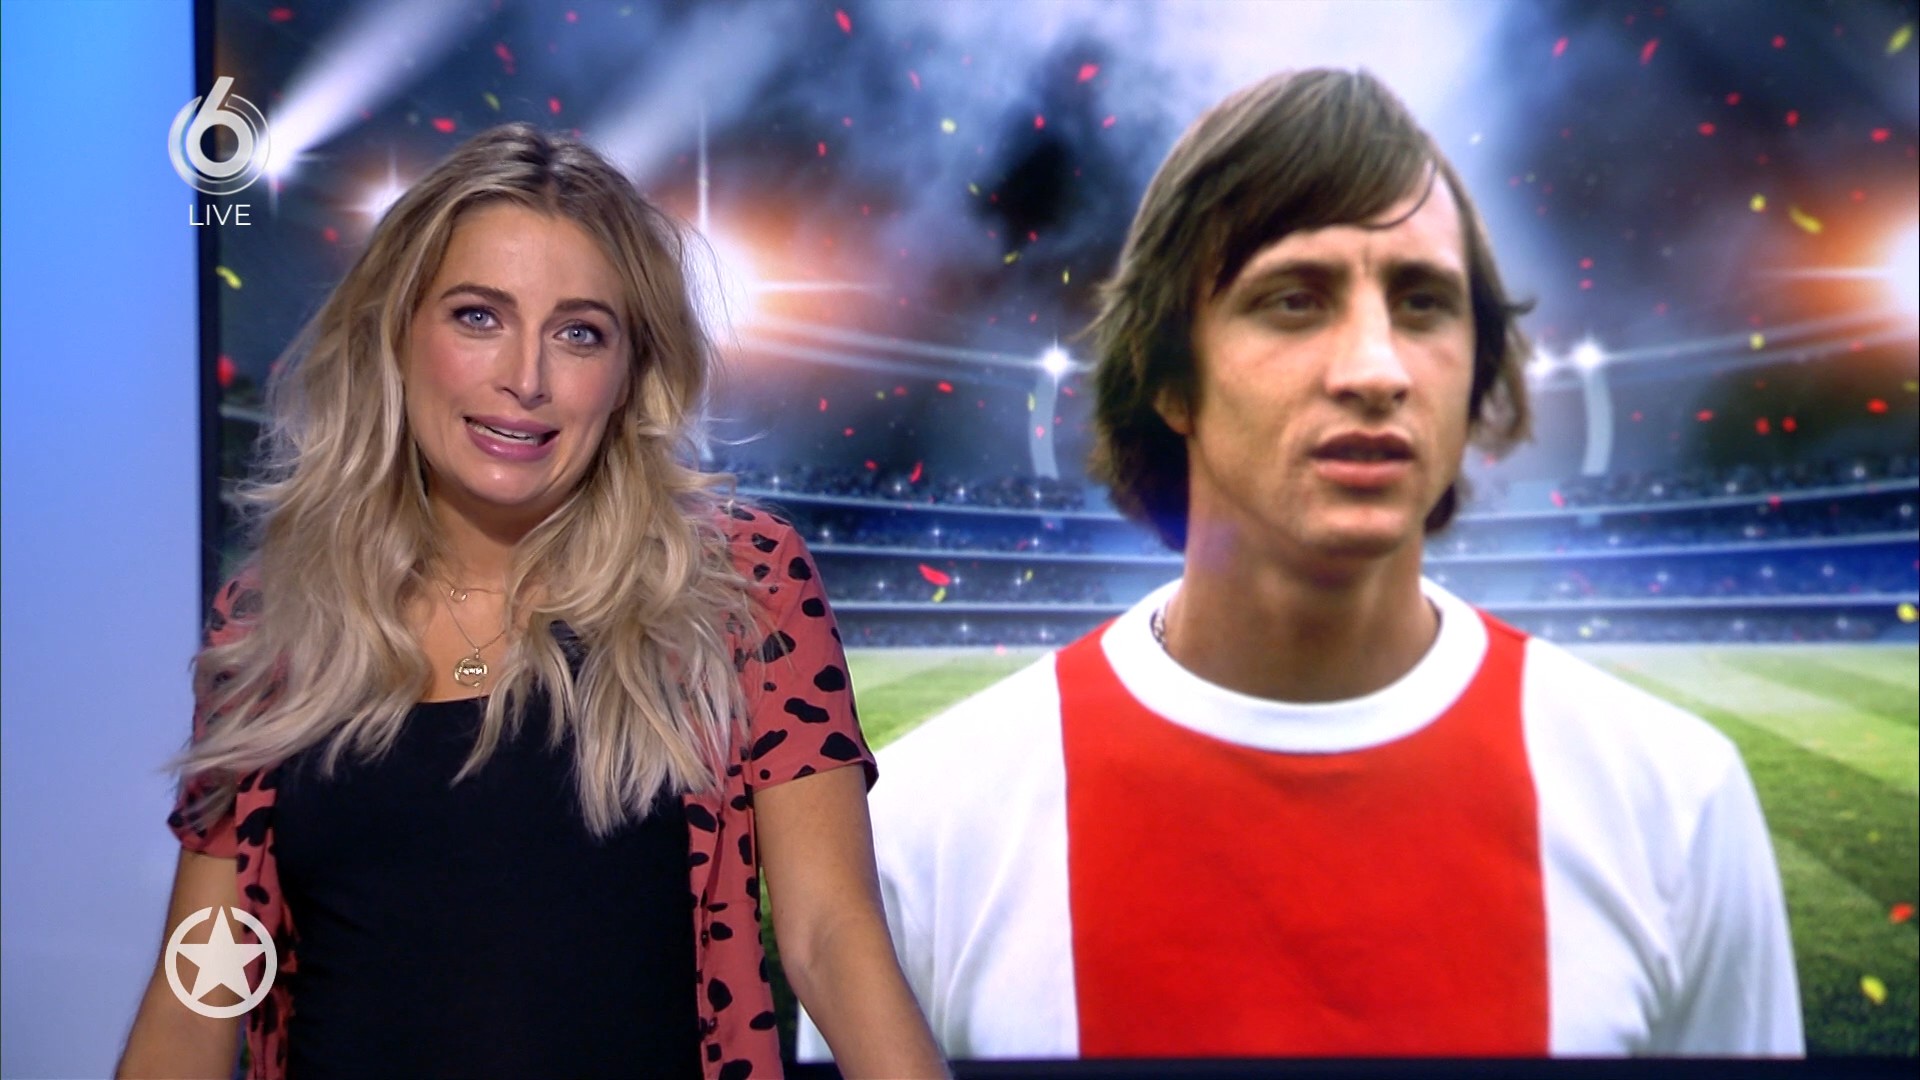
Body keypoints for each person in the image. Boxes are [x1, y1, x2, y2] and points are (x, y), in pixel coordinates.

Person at [804, 69, 1802, 1059]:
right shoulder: (931, 834)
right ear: (1169, 376)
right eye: (1293, 300)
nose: (1376, 369)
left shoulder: (1673, 802)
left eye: (1423, 303)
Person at [118, 124, 947, 1080]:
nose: (526, 378)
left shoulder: (738, 587)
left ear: (630, 373)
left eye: (579, 333)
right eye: (478, 316)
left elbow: (832, 937)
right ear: (396, 334)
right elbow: (201, 991)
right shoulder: (273, 621)